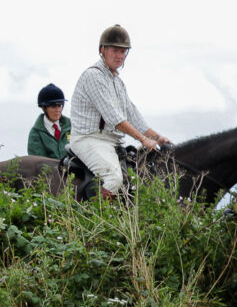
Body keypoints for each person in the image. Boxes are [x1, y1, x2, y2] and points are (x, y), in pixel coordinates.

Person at [68, 25, 170, 199]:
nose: (119, 56)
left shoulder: (117, 82)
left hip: (111, 142)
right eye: (115, 50)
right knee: (114, 178)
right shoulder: (93, 76)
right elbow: (114, 119)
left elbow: (132, 114)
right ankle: (97, 212)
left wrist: (157, 137)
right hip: (88, 139)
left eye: (123, 51)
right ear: (103, 50)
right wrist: (143, 140)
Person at [27, 83, 72, 159]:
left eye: (59, 105)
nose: (58, 110)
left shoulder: (72, 126)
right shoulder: (36, 133)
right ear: (43, 108)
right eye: (53, 106)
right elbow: (39, 161)